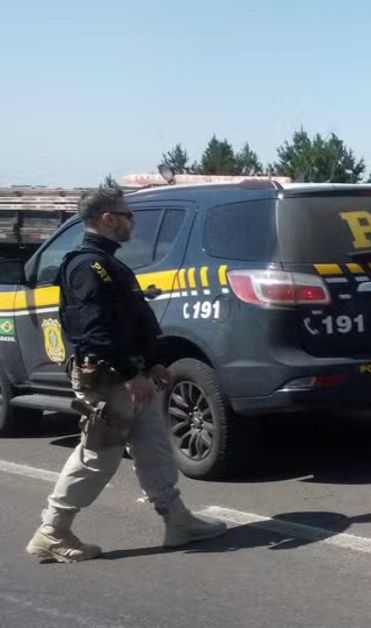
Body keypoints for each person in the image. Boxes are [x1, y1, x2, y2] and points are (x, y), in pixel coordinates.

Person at [26, 187, 226, 563]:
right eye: (127, 215)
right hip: (110, 379)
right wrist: (129, 372)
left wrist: (150, 364)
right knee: (98, 455)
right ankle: (52, 530)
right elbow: (94, 329)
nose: (132, 221)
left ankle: (177, 520)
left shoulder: (105, 262)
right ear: (107, 218)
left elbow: (128, 322)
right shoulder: (88, 265)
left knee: (153, 446)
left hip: (131, 374)